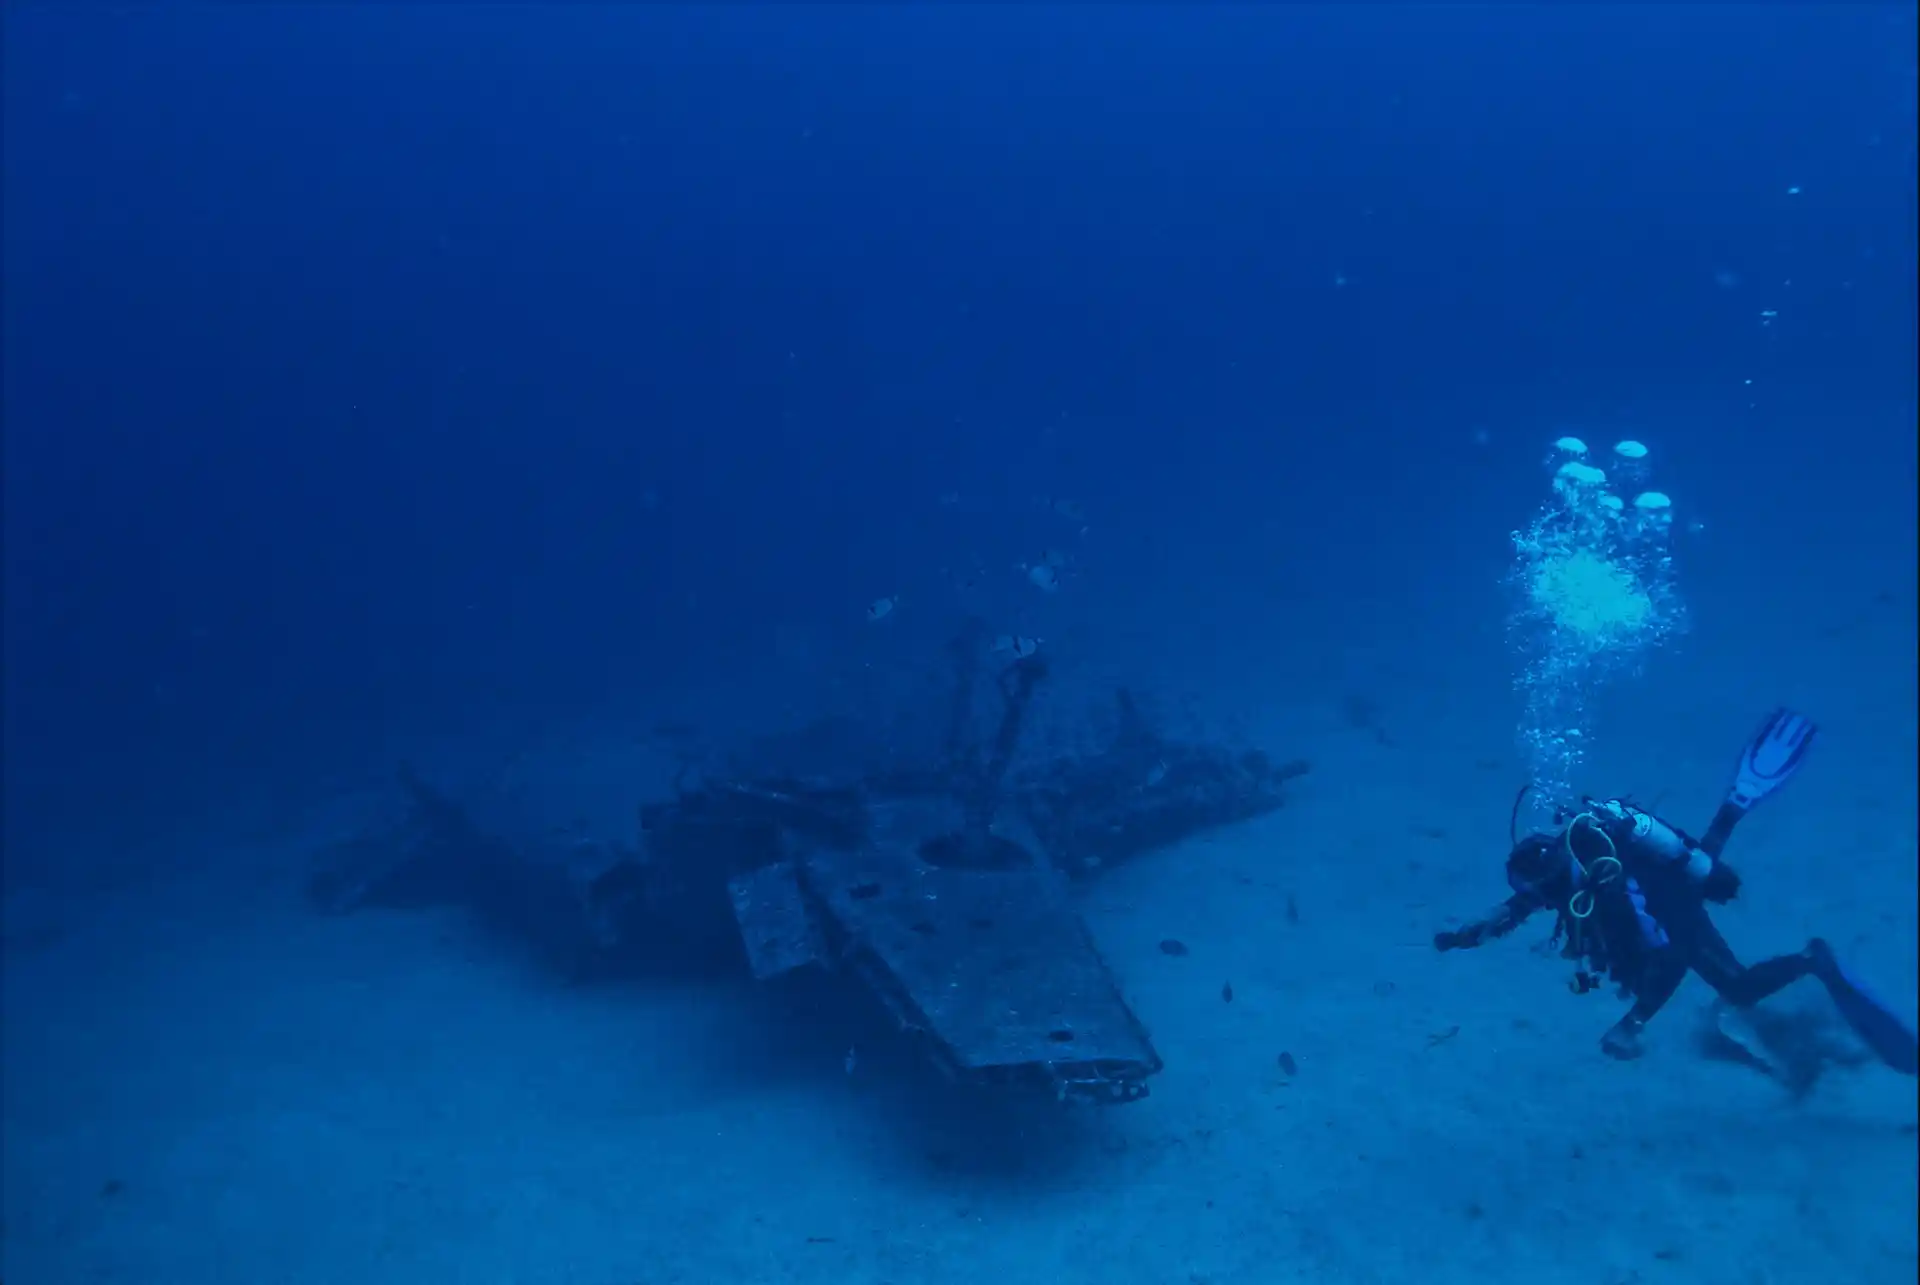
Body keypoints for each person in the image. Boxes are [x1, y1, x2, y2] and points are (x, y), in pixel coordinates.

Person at [1435, 710, 1917, 1075]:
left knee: (1737, 986)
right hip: (1666, 885)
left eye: (1542, 889)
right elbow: (1517, 907)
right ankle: (1732, 812)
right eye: (1534, 890)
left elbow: (1677, 955)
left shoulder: (1616, 886)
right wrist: (1465, 936)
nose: (1539, 898)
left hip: (1672, 908)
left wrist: (1633, 1024)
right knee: (1696, 870)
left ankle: (1814, 960)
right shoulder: (1563, 875)